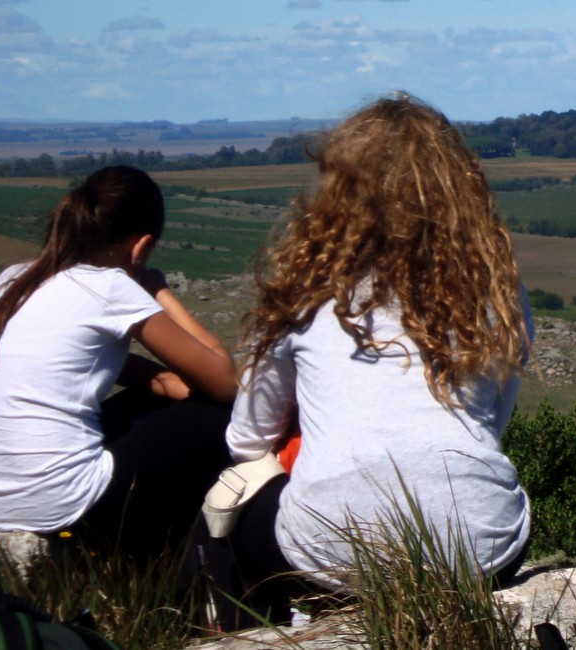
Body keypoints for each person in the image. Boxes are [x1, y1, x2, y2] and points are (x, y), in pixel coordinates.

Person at [216, 93, 532, 623]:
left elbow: (247, 440)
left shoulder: (307, 292)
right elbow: (490, 425)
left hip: (325, 555)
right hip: (483, 552)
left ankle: (262, 630)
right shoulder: (497, 293)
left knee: (237, 500)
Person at [0, 166, 237, 561]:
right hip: (65, 507)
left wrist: (180, 387)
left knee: (158, 403)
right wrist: (156, 288)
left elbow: (148, 380)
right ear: (141, 246)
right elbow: (226, 382)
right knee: (228, 416)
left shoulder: (13, 280)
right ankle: (187, 564)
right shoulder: (109, 286)